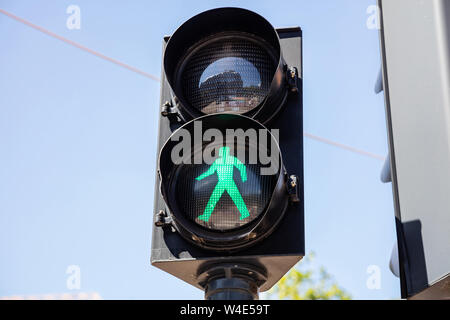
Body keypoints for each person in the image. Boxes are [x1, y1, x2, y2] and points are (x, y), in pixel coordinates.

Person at [196, 146, 250, 222]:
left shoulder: (230, 159)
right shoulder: (219, 161)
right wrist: (200, 177)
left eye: (225, 151)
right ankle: (206, 216)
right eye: (222, 151)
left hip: (228, 181)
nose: (224, 153)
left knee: (236, 198)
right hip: (222, 182)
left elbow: (242, 167)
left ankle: (245, 213)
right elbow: (210, 172)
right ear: (221, 152)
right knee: (213, 199)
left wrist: (244, 177)